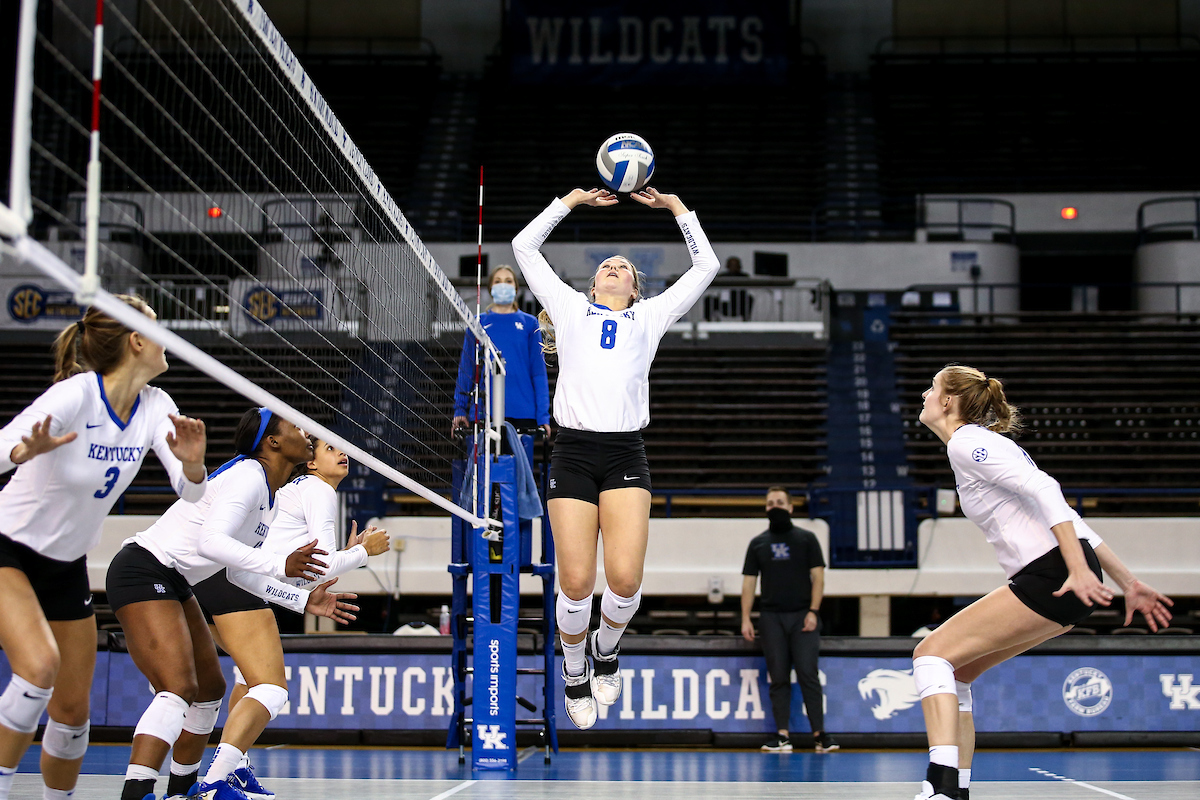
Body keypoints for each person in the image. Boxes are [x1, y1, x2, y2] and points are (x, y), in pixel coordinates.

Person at [910, 365, 1174, 800]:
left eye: (932, 387)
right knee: (954, 672)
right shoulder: (988, 445)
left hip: (1052, 575)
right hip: (1063, 577)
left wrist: (1075, 567)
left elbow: (1048, 488)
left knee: (929, 655)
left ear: (948, 401)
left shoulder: (967, 443)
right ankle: (955, 790)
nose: (924, 393)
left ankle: (938, 789)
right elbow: (1069, 515)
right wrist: (1128, 581)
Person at [512, 186, 720, 729]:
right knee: (577, 582)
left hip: (626, 449)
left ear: (633, 286)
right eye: (606, 264)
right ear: (593, 281)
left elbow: (706, 266)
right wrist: (569, 202)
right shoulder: (569, 308)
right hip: (574, 452)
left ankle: (605, 648)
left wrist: (677, 209)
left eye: (622, 266)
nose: (612, 266)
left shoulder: (649, 318)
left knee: (624, 580)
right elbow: (524, 248)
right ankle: (575, 669)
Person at [0, 296, 208, 800]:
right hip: (10, 549)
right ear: (136, 341)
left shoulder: (157, 405)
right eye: (157, 329)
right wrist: (22, 452)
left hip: (66, 564)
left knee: (72, 714)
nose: (166, 339)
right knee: (39, 669)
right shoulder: (77, 395)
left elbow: (190, 491)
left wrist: (195, 466)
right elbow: (5, 443)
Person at [105, 408, 356, 800]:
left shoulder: (270, 497)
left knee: (210, 689)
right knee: (178, 688)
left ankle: (183, 790)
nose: (305, 431)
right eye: (294, 427)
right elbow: (211, 542)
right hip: (143, 568)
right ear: (272, 442)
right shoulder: (248, 477)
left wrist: (302, 600)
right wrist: (281, 563)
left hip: (178, 580)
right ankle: (136, 792)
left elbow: (239, 574)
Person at [189, 436, 389, 800]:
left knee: (248, 680)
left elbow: (307, 568)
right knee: (271, 688)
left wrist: (344, 553)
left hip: (217, 578)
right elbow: (323, 565)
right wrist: (363, 551)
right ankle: (213, 783)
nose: (342, 453)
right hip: (238, 580)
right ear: (311, 462)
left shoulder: (301, 488)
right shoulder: (319, 489)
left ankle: (235, 769)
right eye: (330, 449)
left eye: (343, 448)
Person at [741, 486, 838, 754]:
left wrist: (813, 611)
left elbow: (818, 577)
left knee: (808, 674)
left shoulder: (806, 539)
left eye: (780, 502)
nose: (775, 507)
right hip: (771, 618)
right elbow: (749, 583)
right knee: (778, 677)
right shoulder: (758, 543)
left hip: (802, 617)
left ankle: (820, 735)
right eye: (770, 503)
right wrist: (746, 618)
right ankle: (782, 735)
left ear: (791, 507)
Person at [453, 265, 551, 447]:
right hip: (485, 411)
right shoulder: (478, 323)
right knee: (483, 473)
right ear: (490, 288)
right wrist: (460, 409)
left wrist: (543, 415)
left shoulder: (530, 324)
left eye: (508, 281)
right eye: (498, 281)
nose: (503, 285)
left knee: (520, 473)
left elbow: (538, 373)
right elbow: (466, 369)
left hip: (523, 413)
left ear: (516, 288)